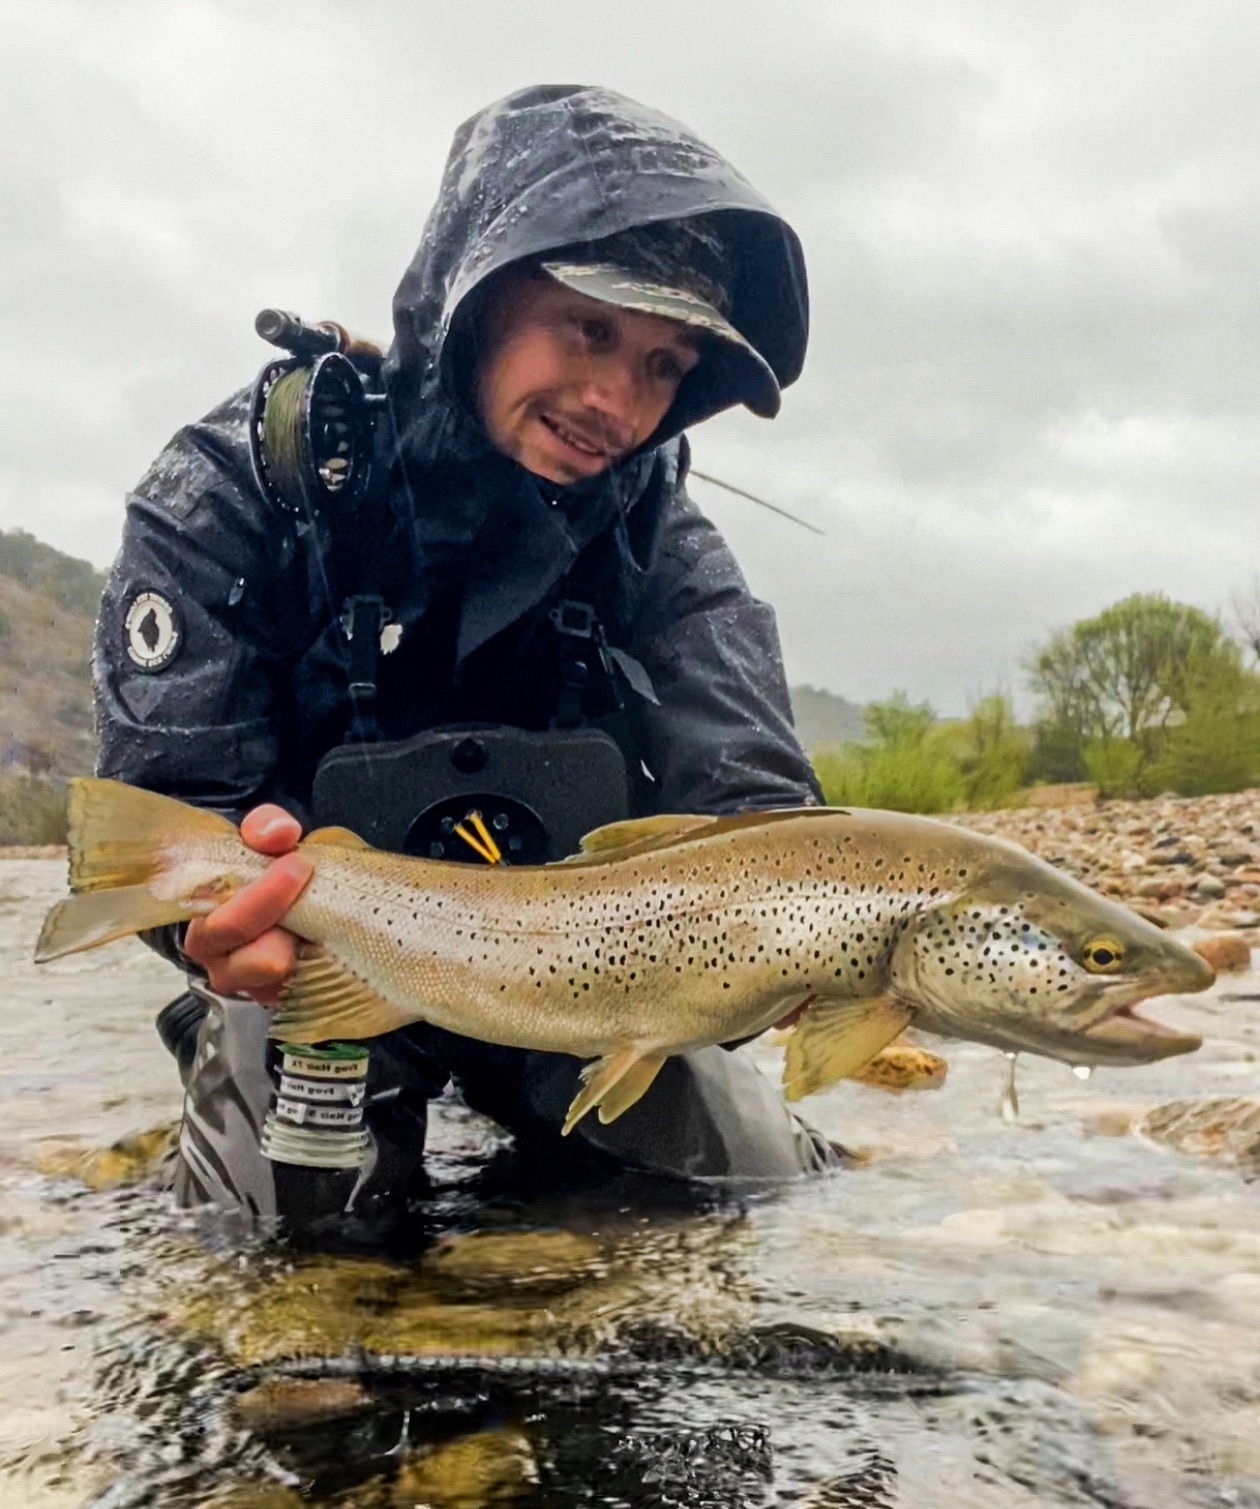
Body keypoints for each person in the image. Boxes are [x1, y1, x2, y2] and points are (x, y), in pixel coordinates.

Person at [95, 84, 838, 1236]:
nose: (616, 402)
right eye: (590, 330)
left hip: (586, 981)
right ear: (476, 301)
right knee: (302, 1240)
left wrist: (780, 964)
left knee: (738, 1186)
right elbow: (158, 825)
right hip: (320, 967)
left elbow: (756, 807)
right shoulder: (238, 487)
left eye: (662, 363)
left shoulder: (659, 536)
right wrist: (209, 940)